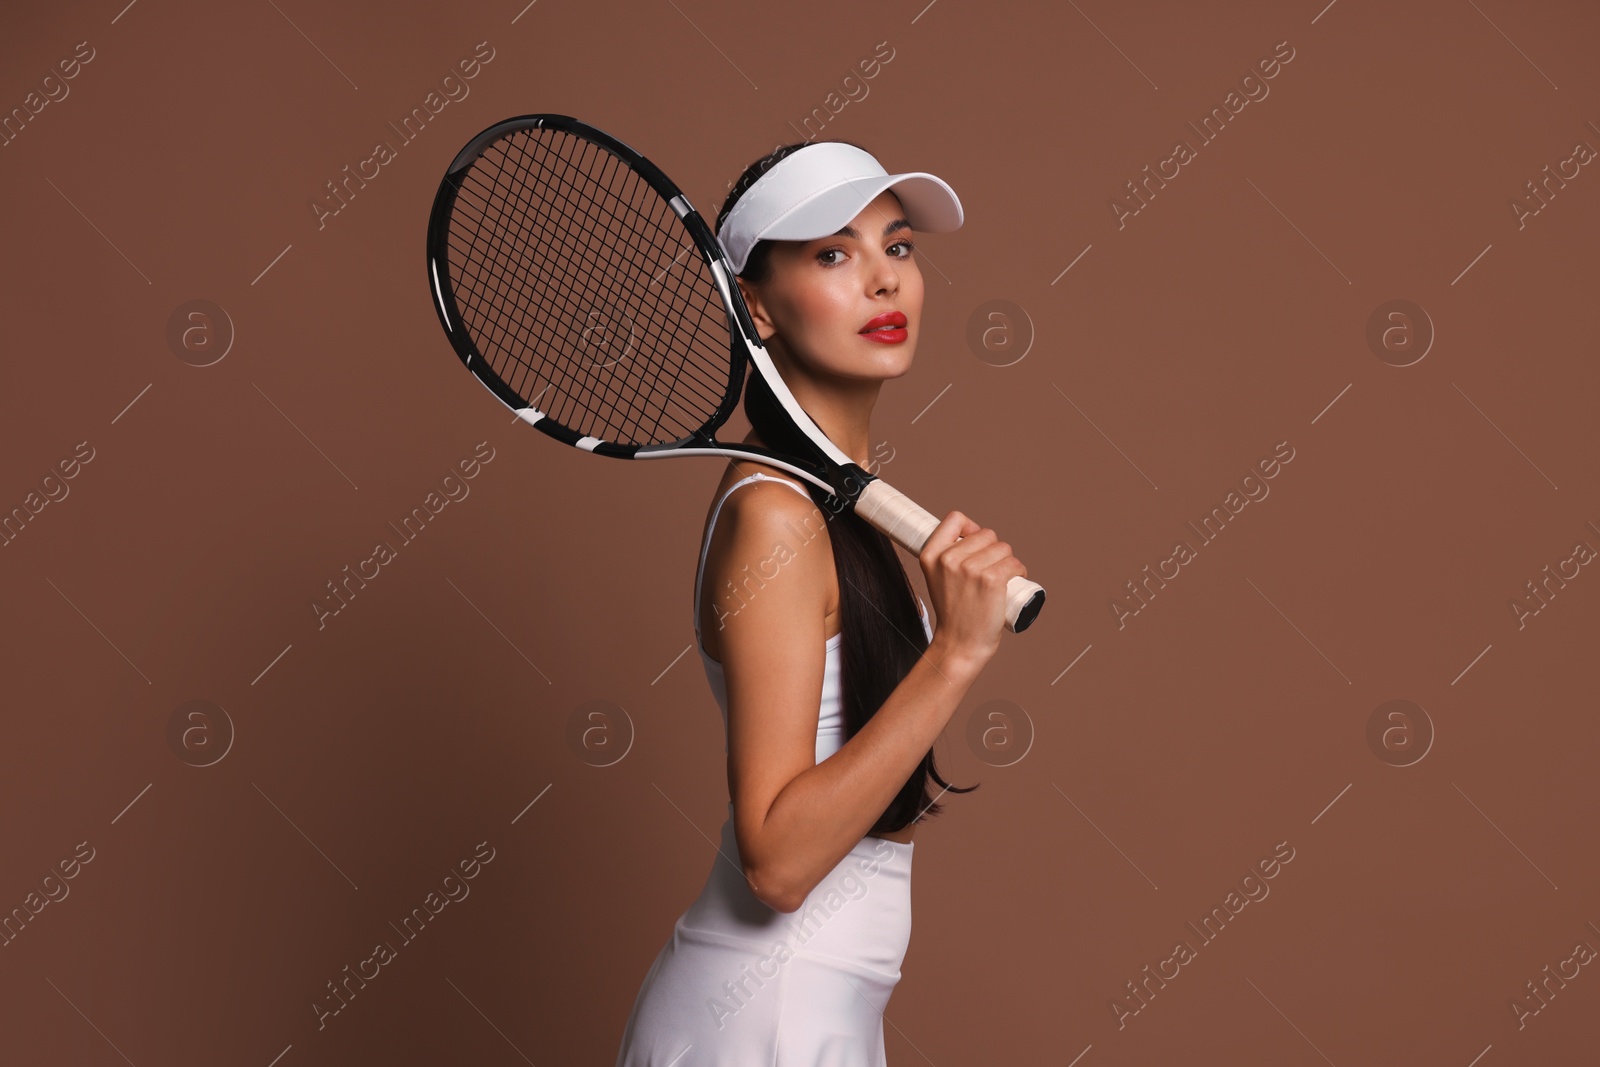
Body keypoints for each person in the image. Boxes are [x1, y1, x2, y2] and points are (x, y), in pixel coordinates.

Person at [613, 138, 1029, 1066]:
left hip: (817, 1011)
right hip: (764, 1016)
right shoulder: (776, 519)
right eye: (834, 254)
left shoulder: (836, 506)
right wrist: (954, 652)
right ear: (754, 305)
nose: (885, 281)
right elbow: (778, 859)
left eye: (899, 247)